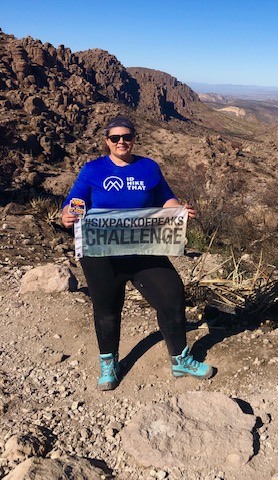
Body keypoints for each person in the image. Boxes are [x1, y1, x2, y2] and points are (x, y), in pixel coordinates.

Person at [61, 115, 214, 390]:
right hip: (101, 252)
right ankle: (109, 363)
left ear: (134, 139)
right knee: (107, 308)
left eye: (127, 137)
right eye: (115, 138)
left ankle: (180, 358)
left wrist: (178, 211)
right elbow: (74, 202)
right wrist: (68, 215)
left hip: (144, 249)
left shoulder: (148, 167)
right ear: (106, 140)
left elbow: (164, 197)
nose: (122, 142)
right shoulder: (92, 170)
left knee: (172, 296)